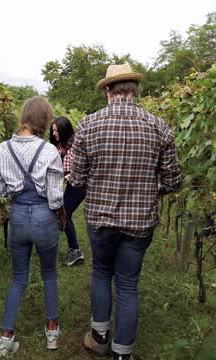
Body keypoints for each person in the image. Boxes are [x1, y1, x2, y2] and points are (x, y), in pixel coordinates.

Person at [70, 64, 182, 360]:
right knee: (128, 284)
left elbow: (78, 179)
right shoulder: (159, 126)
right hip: (140, 221)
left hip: (100, 219)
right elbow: (172, 181)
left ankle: (99, 337)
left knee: (102, 273)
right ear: (136, 90)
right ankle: (122, 353)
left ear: (108, 90)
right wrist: (146, 188)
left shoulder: (87, 125)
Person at [0, 96, 67, 357]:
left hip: (18, 218)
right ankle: (52, 333)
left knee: (19, 278)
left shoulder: (1, 150)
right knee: (49, 275)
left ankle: (5, 339)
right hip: (44, 217)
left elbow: (1, 190)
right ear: (45, 120)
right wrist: (60, 216)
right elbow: (56, 197)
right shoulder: (49, 151)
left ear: (23, 117)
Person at [50, 117, 86, 266]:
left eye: (56, 130)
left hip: (79, 185)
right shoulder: (59, 146)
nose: (54, 133)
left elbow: (78, 171)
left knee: (64, 213)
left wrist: (62, 174)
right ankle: (71, 248)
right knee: (63, 214)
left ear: (64, 130)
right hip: (71, 184)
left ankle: (75, 251)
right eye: (53, 130)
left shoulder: (75, 146)